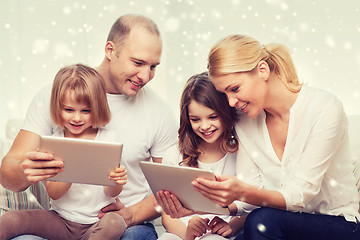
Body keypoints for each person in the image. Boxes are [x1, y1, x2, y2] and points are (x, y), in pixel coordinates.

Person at [0, 14, 177, 240]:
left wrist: (130, 215)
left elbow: (170, 190)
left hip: (125, 224)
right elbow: (8, 174)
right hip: (64, 219)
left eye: (153, 67)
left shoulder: (158, 112)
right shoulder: (56, 95)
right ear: (110, 50)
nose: (145, 76)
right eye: (138, 63)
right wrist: (26, 170)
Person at [186, 34, 360, 239]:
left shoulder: (324, 109)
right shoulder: (244, 121)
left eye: (234, 89)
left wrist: (241, 191)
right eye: (224, 94)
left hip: (337, 222)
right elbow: (252, 192)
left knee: (261, 221)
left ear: (263, 70)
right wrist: (197, 207)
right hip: (277, 223)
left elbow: (299, 196)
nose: (231, 102)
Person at [0, 63, 128, 240]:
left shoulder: (108, 140)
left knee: (115, 223)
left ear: (98, 108)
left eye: (86, 111)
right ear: (57, 107)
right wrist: (72, 169)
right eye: (68, 110)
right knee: (9, 220)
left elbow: (110, 193)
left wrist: (117, 181)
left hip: (95, 223)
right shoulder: (54, 141)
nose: (76, 118)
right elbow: (54, 193)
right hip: (60, 221)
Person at [156, 72, 245, 240]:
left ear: (226, 113)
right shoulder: (174, 154)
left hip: (219, 233)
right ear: (187, 119)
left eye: (213, 117)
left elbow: (252, 205)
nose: (205, 126)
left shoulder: (241, 153)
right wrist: (187, 234)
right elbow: (167, 214)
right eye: (195, 119)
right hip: (182, 231)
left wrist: (232, 226)